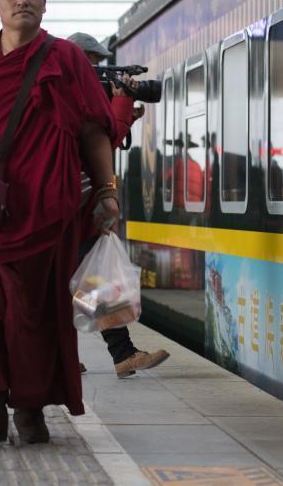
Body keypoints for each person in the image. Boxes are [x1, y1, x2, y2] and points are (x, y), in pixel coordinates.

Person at [0, 0, 119, 445]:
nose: (22, 0)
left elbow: (93, 129)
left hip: (46, 207)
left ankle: (29, 409)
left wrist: (107, 189)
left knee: (35, 311)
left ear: (44, 5)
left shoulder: (65, 59)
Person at [67, 31, 170, 378]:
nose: (97, 70)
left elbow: (103, 138)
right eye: (93, 63)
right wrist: (121, 104)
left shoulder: (76, 89)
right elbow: (98, 139)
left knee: (82, 280)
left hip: (78, 204)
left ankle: (108, 355)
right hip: (75, 206)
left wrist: (123, 112)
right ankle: (121, 355)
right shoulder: (72, 91)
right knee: (93, 279)